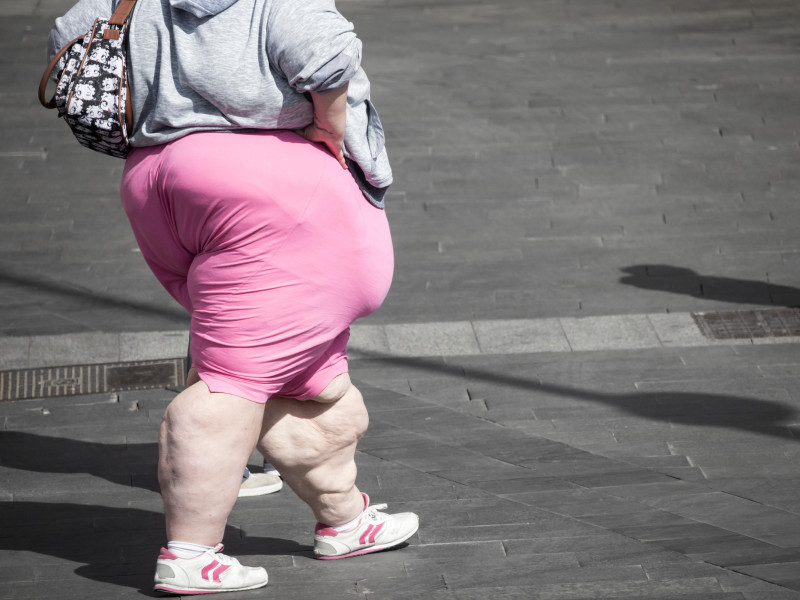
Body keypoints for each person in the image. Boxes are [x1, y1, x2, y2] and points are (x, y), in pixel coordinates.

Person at [47, 0, 419, 594]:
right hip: (266, 190)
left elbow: (71, 37)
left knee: (308, 380)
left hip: (158, 178)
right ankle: (192, 552)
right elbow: (326, 56)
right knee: (233, 384)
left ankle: (345, 518)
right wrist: (329, 125)